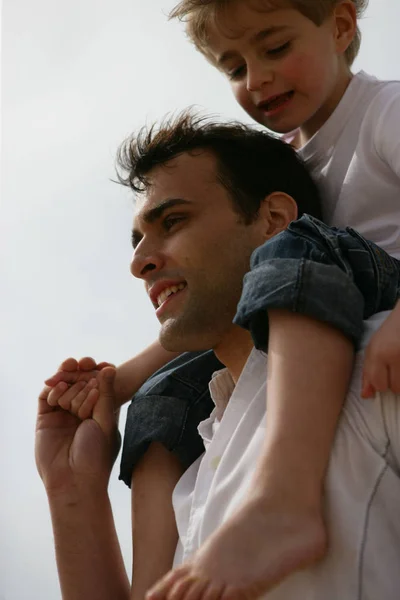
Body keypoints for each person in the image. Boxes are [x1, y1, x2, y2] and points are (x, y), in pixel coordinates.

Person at [46, 0, 400, 595]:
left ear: (340, 27)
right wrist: (110, 400)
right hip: (313, 306)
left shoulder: (382, 112)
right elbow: (254, 293)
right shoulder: (205, 459)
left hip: (378, 304)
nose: (256, 78)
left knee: (293, 250)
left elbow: (290, 260)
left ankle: (285, 499)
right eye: (233, 67)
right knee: (164, 396)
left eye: (276, 48)